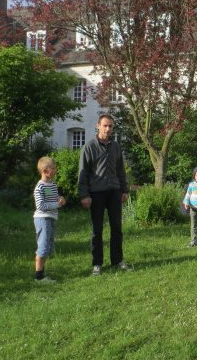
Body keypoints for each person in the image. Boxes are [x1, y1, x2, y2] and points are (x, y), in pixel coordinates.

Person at [78, 114, 131, 275]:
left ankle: (117, 260)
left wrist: (124, 190)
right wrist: (84, 195)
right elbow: (83, 173)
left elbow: (121, 170)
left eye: (111, 126)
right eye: (105, 126)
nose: (108, 129)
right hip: (96, 193)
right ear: (98, 126)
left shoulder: (115, 147)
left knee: (117, 227)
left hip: (114, 191)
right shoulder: (89, 147)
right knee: (97, 230)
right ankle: (97, 264)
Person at [33, 156, 66, 283]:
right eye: (53, 168)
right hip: (42, 219)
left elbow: (54, 199)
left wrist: (61, 199)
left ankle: (41, 274)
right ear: (45, 171)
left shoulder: (51, 184)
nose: (55, 170)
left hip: (51, 218)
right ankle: (39, 277)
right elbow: (40, 206)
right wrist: (58, 204)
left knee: (47, 246)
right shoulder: (40, 187)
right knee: (43, 246)